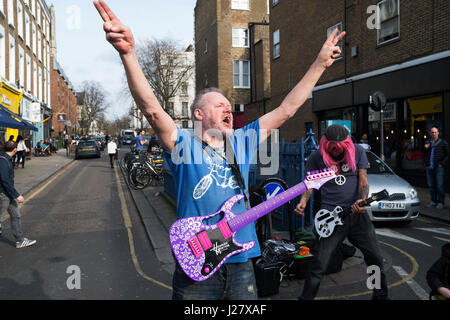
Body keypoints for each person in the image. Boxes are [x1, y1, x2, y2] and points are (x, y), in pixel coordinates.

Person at [94, 0, 345, 300]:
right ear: (199, 114)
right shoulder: (183, 143)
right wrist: (129, 54)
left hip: (240, 263)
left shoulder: (242, 140)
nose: (228, 109)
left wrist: (319, 64)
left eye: (229, 106)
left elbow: (287, 109)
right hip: (196, 261)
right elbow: (151, 108)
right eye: (219, 105)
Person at [295, 124, 388, 300]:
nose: (336, 151)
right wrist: (303, 201)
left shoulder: (358, 151)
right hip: (329, 217)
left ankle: (380, 297)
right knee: (319, 264)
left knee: (375, 258)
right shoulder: (317, 157)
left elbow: (363, 179)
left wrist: (361, 199)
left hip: (356, 216)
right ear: (326, 144)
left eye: (340, 147)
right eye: (332, 147)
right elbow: (310, 183)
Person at [0, 141, 36, 248]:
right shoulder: (3, 161)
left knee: (16, 216)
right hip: (4, 194)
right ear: (15, 150)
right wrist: (16, 195)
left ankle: (19, 240)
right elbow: (5, 180)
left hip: (8, 193)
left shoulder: (5, 159)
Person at [424, 126, 449, 209]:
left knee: (439, 185)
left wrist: (442, 163)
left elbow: (448, 154)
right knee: (431, 186)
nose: (434, 134)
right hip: (429, 167)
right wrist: (426, 148)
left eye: (435, 132)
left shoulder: (443, 142)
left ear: (438, 133)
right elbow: (424, 155)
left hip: (439, 167)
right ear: (430, 133)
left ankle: (441, 202)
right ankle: (433, 201)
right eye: (432, 132)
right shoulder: (428, 142)